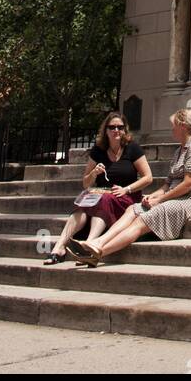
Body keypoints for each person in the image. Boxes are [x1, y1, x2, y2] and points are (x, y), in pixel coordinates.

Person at [66, 108, 191, 266]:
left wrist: (160, 199)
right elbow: (168, 183)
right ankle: (98, 242)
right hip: (175, 195)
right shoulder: (178, 151)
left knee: (143, 218)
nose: (171, 129)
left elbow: (188, 184)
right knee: (133, 209)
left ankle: (98, 252)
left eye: (173, 125)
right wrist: (152, 196)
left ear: (182, 126)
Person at [42, 111, 152, 266]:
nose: (116, 131)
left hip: (126, 197)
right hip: (101, 195)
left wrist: (126, 189)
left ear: (125, 130)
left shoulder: (132, 148)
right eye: (112, 127)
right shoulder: (98, 150)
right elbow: (86, 183)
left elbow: (148, 177)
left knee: (103, 199)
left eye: (120, 127)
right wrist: (94, 173)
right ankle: (59, 247)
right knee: (84, 200)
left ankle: (89, 245)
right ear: (105, 130)